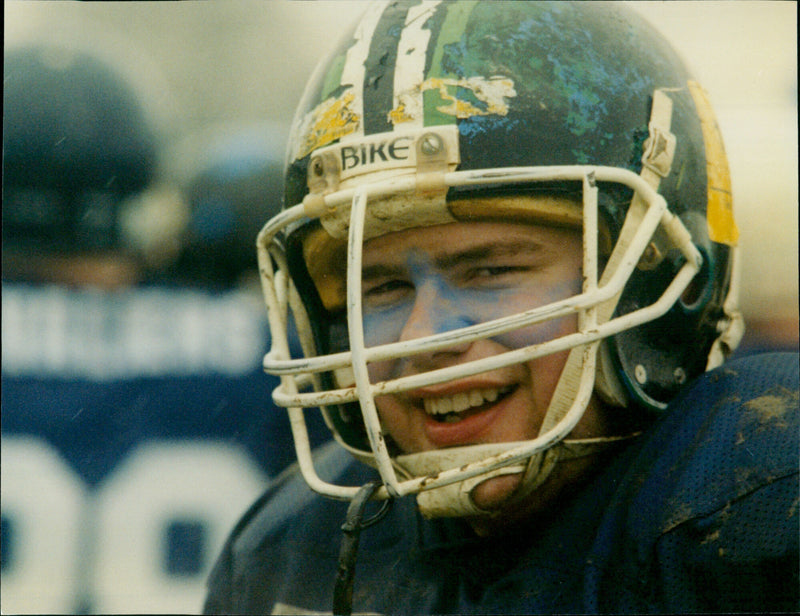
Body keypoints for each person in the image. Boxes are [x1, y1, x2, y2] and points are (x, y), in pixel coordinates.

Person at [204, 2, 799, 614]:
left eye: (492, 270)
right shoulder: (294, 552)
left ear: (659, 274)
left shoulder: (757, 506)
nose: (425, 335)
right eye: (380, 287)